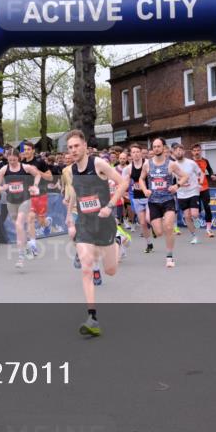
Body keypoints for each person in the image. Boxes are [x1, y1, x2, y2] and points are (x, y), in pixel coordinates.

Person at [64, 130, 127, 336]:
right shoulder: (72, 170)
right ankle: (92, 317)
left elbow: (122, 183)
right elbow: (76, 193)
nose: (73, 150)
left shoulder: (98, 164)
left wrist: (109, 205)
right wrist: (68, 216)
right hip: (84, 224)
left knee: (111, 271)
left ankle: (117, 241)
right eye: (70, 147)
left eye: (76, 146)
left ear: (84, 146)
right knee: (86, 268)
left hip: (104, 222)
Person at [137, 137, 189, 268]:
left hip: (168, 200)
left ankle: (169, 256)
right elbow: (141, 179)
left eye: (158, 146)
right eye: (154, 147)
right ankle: (157, 231)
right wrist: (145, 190)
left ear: (164, 148)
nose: (156, 149)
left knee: (169, 227)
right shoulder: (147, 164)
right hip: (153, 201)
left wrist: (177, 186)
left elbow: (185, 176)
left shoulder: (171, 164)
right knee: (159, 232)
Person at [0, 147, 42, 269]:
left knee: (20, 224)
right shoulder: (4, 169)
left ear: (18, 158)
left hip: (25, 199)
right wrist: (2, 188)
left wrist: (35, 186)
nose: (12, 162)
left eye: (14, 160)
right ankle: (30, 244)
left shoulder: (25, 167)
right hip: (11, 202)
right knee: (19, 227)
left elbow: (38, 175)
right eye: (10, 160)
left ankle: (20, 256)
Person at [21, 141, 52, 253]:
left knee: (41, 220)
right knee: (30, 218)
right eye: (24, 149)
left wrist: (38, 172)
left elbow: (50, 177)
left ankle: (47, 222)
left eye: (29, 149)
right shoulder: (23, 163)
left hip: (41, 193)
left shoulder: (40, 161)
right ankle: (33, 245)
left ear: (33, 150)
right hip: (29, 195)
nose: (26, 152)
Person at [123, 143, 155, 252]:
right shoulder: (128, 168)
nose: (136, 154)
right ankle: (149, 244)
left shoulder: (148, 164)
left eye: (137, 152)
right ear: (130, 155)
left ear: (141, 153)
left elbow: (154, 178)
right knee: (142, 223)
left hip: (148, 196)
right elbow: (124, 183)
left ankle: (154, 226)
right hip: (137, 197)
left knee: (148, 218)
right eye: (133, 152)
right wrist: (124, 192)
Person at [172, 143, 204, 245]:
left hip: (193, 191)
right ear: (173, 153)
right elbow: (171, 179)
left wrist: (200, 183)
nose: (178, 152)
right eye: (176, 151)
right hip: (181, 194)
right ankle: (194, 236)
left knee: (194, 214)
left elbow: (201, 173)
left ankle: (197, 219)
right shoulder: (172, 166)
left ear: (184, 152)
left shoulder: (191, 163)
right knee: (187, 216)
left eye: (180, 150)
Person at [190, 144, 216, 237]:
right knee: (197, 211)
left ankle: (208, 229)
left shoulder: (205, 161)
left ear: (201, 151)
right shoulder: (189, 162)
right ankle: (196, 223)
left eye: (198, 150)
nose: (197, 152)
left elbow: (209, 170)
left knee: (207, 208)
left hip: (204, 188)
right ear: (192, 152)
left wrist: (212, 175)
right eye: (195, 150)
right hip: (193, 189)